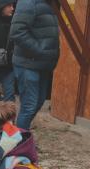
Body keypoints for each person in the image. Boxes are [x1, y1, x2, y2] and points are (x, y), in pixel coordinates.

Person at [9, 0, 59, 130]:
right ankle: (14, 144)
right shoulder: (28, 3)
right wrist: (40, 51)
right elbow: (17, 32)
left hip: (42, 64)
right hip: (28, 63)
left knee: (37, 103)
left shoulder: (46, 4)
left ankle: (18, 137)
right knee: (29, 106)